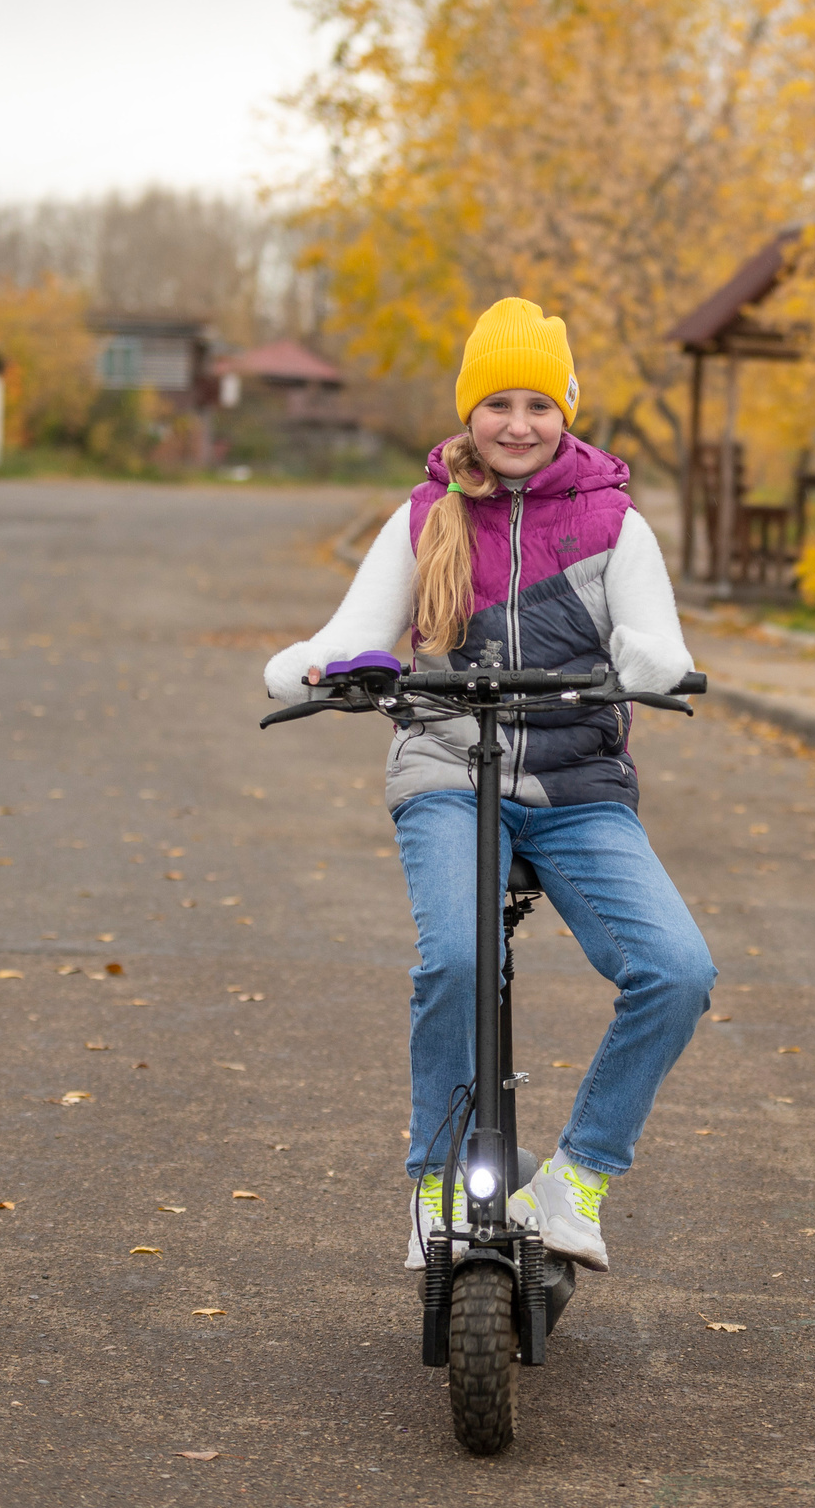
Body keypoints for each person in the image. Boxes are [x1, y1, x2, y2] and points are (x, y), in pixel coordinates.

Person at [263, 297, 714, 1275]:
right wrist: (318, 662)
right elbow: (357, 630)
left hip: (577, 781)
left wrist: (649, 662)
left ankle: (575, 1180)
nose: (518, 424)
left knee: (678, 972)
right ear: (467, 412)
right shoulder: (428, 515)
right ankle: (435, 1184)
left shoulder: (613, 521)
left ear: (568, 413)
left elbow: (651, 635)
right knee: (459, 964)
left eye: (538, 403)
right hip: (448, 770)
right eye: (496, 402)